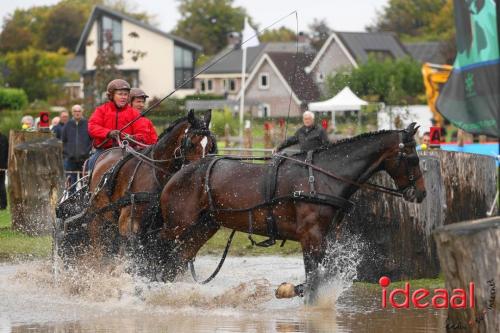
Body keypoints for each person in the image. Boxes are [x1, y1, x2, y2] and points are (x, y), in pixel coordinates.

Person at [87, 79, 148, 171]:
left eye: (125, 94)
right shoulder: (101, 110)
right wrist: (108, 133)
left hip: (127, 151)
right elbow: (92, 127)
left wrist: (132, 138)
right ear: (111, 95)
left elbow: (143, 134)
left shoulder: (134, 114)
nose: (123, 97)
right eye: (120, 94)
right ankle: (89, 183)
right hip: (104, 151)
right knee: (92, 161)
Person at [61, 105, 92, 192]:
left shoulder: (87, 124)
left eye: (79, 111)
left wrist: (87, 151)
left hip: (85, 159)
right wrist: (67, 153)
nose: (77, 113)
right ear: (72, 112)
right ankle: (71, 203)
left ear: (82, 112)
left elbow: (92, 140)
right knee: (71, 185)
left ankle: (83, 202)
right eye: (75, 111)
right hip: (70, 160)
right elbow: (63, 141)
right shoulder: (67, 125)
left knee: (85, 184)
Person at [0, 131, 8, 210]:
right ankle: (3, 204)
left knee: (1, 185)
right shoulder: (3, 138)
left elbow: (3, 153)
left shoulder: (2, 139)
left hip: (1, 166)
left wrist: (2, 166)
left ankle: (3, 204)